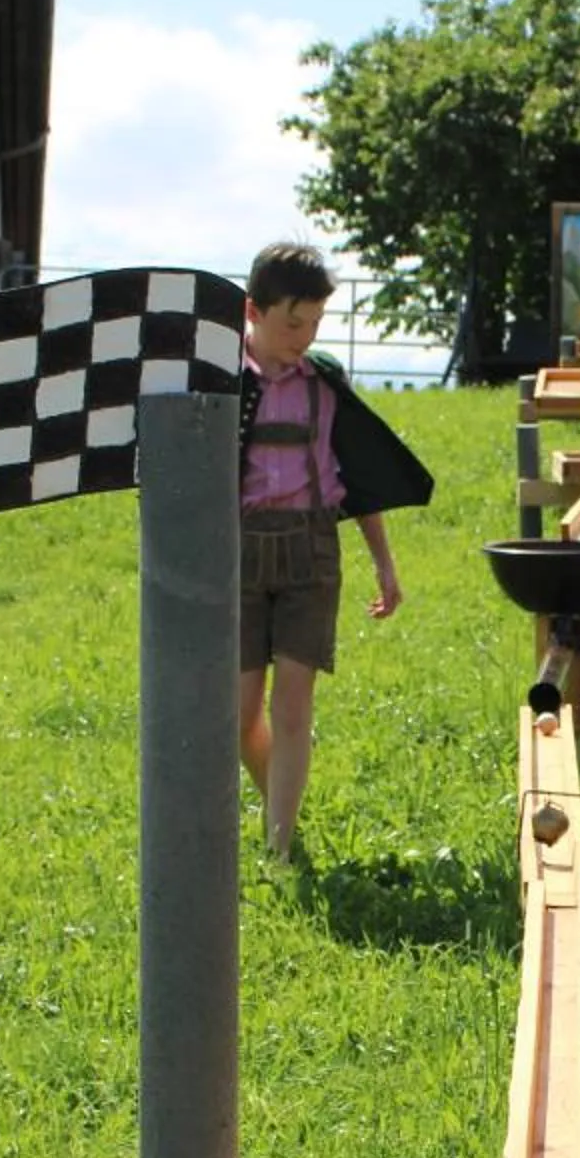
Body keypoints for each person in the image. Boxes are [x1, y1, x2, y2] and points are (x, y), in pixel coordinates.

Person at [237, 241, 434, 861]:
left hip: (312, 552)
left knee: (292, 705)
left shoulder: (324, 383)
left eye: (316, 323)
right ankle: (279, 806)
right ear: (253, 311)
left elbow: (360, 476)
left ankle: (279, 845)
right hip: (237, 556)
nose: (305, 338)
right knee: (239, 715)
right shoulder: (220, 380)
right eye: (293, 323)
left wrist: (384, 562)